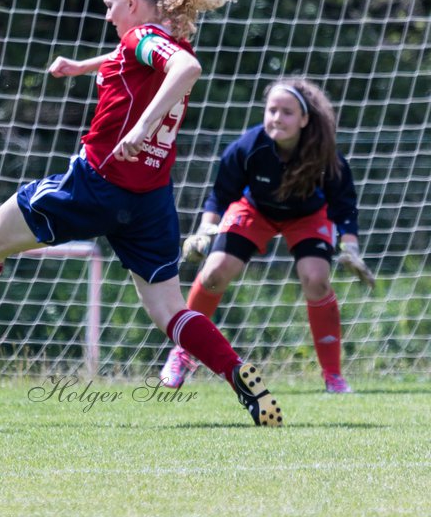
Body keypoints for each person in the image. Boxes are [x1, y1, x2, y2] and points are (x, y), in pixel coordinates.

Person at [0, 0, 286, 426]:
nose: (107, 15)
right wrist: (81, 67)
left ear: (133, 4)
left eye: (110, 5)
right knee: (170, 311)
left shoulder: (146, 39)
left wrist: (139, 128)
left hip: (96, 183)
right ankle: (238, 374)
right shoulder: (156, 38)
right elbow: (145, 57)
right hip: (150, 199)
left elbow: (185, 69)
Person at [160, 77, 374, 393]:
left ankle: (333, 377)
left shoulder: (325, 155)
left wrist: (351, 248)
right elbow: (220, 196)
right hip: (255, 210)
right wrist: (206, 231)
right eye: (272, 110)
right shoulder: (247, 147)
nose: (277, 117)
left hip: (307, 216)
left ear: (304, 119)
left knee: (316, 279)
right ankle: (183, 352)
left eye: (287, 112)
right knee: (215, 271)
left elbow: (344, 206)